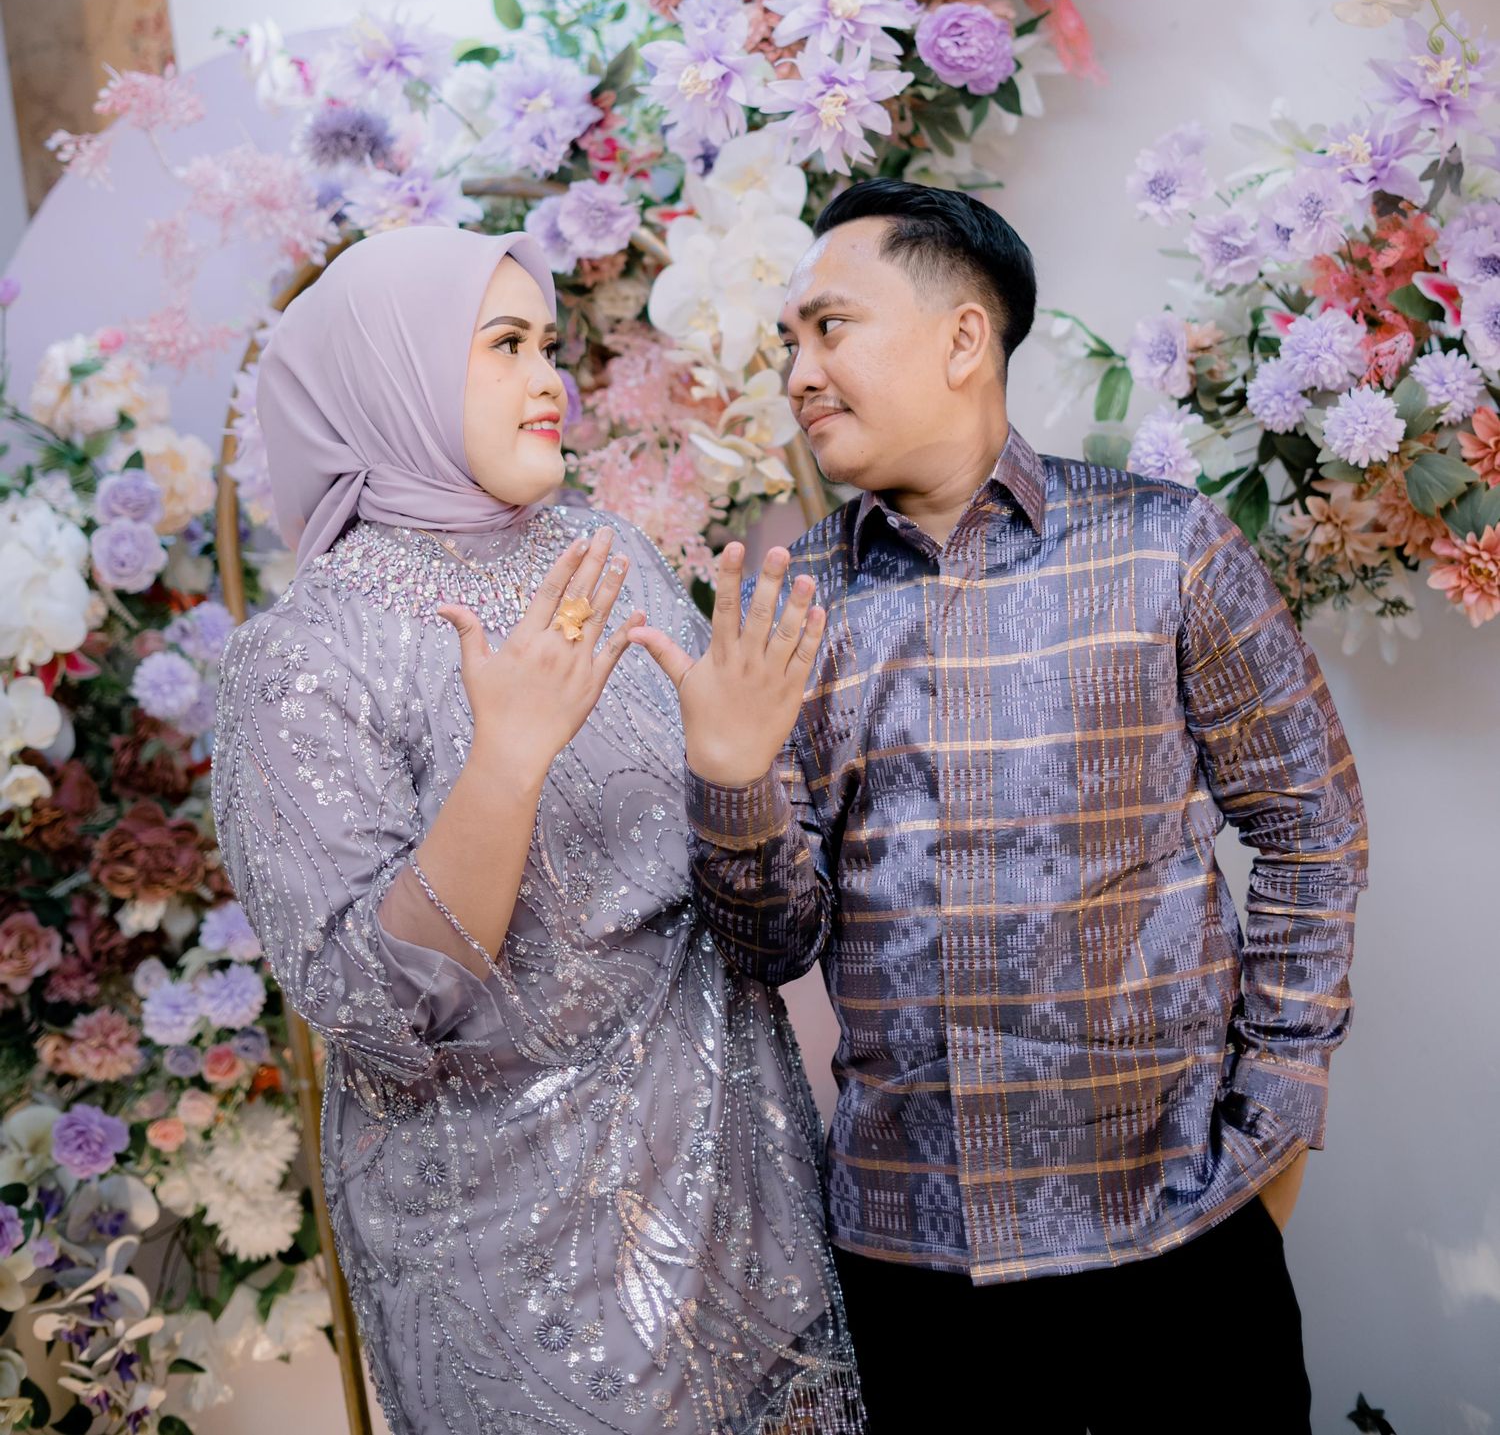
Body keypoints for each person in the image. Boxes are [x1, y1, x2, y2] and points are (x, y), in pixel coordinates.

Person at [629, 180, 1369, 1435]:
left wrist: (1279, 1099)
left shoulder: (1167, 546)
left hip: (1175, 1230)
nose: (799, 371)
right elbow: (769, 945)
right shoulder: (789, 605)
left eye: (829, 326)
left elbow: (1312, 824)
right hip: (915, 1267)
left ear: (964, 336)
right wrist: (730, 775)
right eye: (791, 341)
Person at [212, 224, 865, 1435]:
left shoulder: (610, 557)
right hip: (514, 1265)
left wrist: (738, 779)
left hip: (741, 1203)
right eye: (505, 343)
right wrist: (503, 767)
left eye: (549, 345)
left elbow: (769, 930)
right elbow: (372, 1010)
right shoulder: (302, 657)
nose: (548, 378)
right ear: (395, 370)